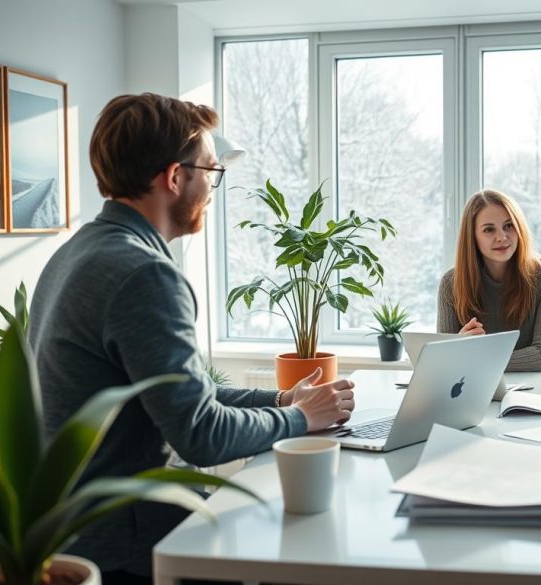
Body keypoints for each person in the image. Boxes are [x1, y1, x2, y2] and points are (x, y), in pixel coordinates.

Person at [29, 93, 355, 585]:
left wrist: (285, 397)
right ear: (175, 177)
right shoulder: (144, 274)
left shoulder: (76, 253)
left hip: (75, 535)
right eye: (210, 171)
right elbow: (201, 435)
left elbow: (181, 392)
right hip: (129, 547)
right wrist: (300, 417)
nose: (211, 185)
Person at [437, 189, 541, 372]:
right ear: (472, 237)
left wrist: (469, 358)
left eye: (508, 226)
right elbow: (443, 358)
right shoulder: (451, 283)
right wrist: (458, 344)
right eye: (489, 229)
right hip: (479, 385)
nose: (502, 237)